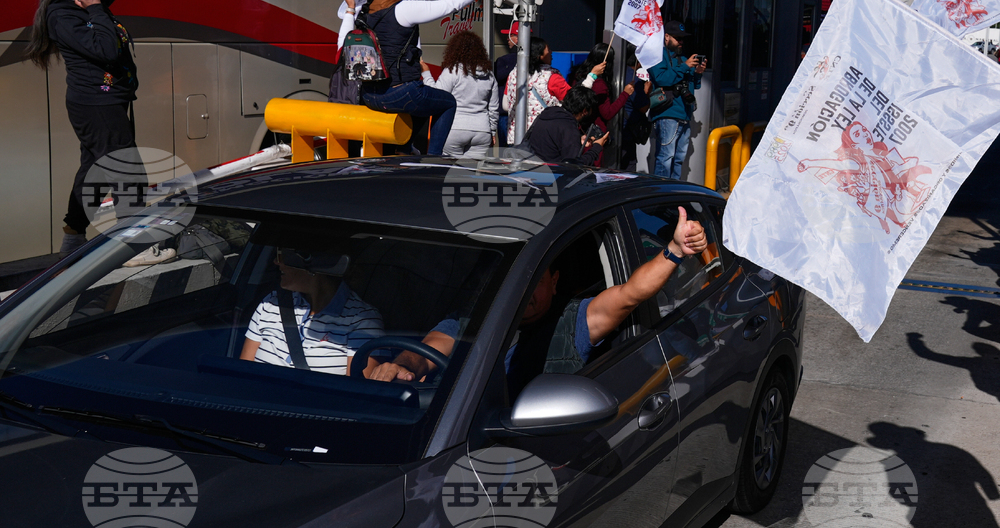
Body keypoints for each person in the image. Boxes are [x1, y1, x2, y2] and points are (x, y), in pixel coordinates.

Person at [368, 206, 707, 392]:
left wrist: (675, 251)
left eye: (536, 282)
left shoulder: (575, 322)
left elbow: (631, 293)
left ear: (555, 281)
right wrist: (400, 367)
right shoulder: (468, 321)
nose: (525, 293)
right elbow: (424, 354)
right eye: (516, 282)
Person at [26, 0, 145, 256]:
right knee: (127, 169)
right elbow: (106, 49)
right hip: (95, 103)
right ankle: (130, 249)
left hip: (104, 101)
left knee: (93, 169)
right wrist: (94, 8)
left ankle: (73, 236)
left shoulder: (93, 0)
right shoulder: (65, 13)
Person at [338, 0, 507, 156]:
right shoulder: (402, 8)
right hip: (398, 93)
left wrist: (350, 9)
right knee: (447, 102)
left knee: (424, 100)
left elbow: (343, 43)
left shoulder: (364, 11)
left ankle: (404, 148)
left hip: (369, 95)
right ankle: (433, 158)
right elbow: (450, 5)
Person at [241, 248, 384, 376]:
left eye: (282, 255)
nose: (276, 262)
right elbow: (243, 376)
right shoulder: (270, 303)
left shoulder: (362, 319)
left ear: (313, 264)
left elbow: (355, 395)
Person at [796, 121, 932, 234]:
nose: (865, 134)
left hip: (903, 194)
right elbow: (836, 164)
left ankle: (917, 194)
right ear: (854, 145)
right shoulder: (858, 162)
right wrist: (810, 164)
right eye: (857, 134)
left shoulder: (880, 153)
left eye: (863, 130)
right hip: (893, 203)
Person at [420, 31, 499, 158]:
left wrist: (426, 74)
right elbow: (493, 108)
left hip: (454, 128)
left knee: (451, 173)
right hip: (482, 130)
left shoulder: (453, 71)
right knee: (473, 174)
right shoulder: (489, 75)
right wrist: (492, 131)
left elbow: (436, 96)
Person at [649, 20, 707, 179]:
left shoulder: (684, 59)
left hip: (684, 114)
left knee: (679, 159)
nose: (681, 42)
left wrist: (698, 73)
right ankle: (660, 197)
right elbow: (662, 79)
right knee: (665, 158)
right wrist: (685, 67)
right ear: (666, 37)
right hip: (667, 113)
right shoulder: (657, 56)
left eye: (683, 39)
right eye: (677, 38)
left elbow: (693, 86)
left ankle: (673, 196)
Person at [570, 43, 634, 167]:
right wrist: (625, 94)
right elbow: (607, 113)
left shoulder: (578, 76)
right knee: (592, 170)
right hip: (593, 136)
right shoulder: (599, 85)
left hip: (578, 133)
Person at [502, 37, 570, 144]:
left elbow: (505, 106)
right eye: (548, 50)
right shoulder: (552, 76)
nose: (551, 53)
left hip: (516, 137)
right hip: (544, 138)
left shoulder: (513, 74)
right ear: (539, 55)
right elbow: (574, 101)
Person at [526, 86, 607, 165]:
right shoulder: (569, 127)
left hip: (531, 169)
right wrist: (597, 147)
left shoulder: (546, 116)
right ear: (585, 111)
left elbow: (550, 145)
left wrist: (578, 140)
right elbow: (574, 166)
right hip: (550, 175)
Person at [495, 21, 528, 146]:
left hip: (506, 114)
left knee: (506, 153)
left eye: (510, 35)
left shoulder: (504, 61)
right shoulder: (536, 61)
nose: (507, 39)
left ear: (519, 37)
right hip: (529, 114)